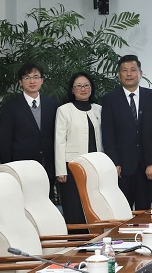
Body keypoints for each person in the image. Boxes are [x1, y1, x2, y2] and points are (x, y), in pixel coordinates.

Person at [101, 54, 152, 209]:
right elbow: (108, 133)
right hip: (123, 166)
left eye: (133, 70)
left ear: (141, 73)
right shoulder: (110, 99)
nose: (129, 74)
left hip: (146, 166)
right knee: (122, 209)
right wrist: (115, 162)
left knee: (145, 209)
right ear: (119, 74)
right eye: (124, 70)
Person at [0, 63, 58, 193]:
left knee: (47, 200)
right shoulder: (10, 107)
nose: (32, 81)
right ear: (20, 82)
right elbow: (5, 141)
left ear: (42, 81)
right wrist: (6, 169)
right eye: (27, 78)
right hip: (22, 167)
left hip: (48, 166)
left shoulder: (52, 104)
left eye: (36, 77)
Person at [54, 72, 102, 224]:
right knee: (74, 205)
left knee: (95, 204)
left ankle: (95, 234)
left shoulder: (99, 109)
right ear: (72, 89)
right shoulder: (64, 110)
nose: (83, 89)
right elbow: (59, 141)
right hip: (72, 166)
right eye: (79, 86)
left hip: (95, 165)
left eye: (86, 85)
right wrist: (61, 170)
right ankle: (77, 236)